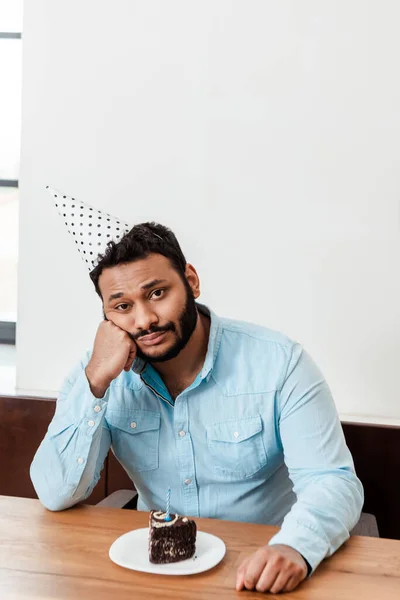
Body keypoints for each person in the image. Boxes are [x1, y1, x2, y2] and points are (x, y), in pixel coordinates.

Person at [31, 191, 364, 594]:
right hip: (148, 574)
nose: (145, 319)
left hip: (258, 571)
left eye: (157, 293)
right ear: (106, 314)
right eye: (122, 306)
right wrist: (96, 384)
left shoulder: (280, 363)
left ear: (191, 281)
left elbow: (332, 481)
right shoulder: (98, 375)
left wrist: (296, 547)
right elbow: (54, 492)